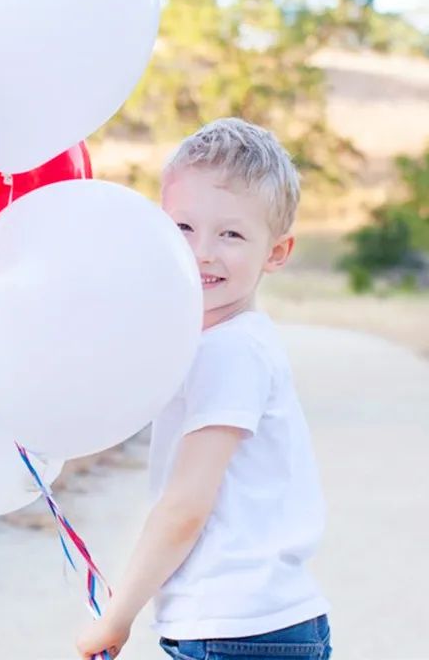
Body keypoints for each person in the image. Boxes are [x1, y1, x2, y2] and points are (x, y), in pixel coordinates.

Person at [75, 118, 332, 660]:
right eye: (184, 227)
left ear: (277, 253)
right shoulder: (223, 341)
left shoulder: (229, 351)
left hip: (235, 630)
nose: (203, 252)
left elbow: (186, 506)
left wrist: (116, 619)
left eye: (232, 234)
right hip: (263, 626)